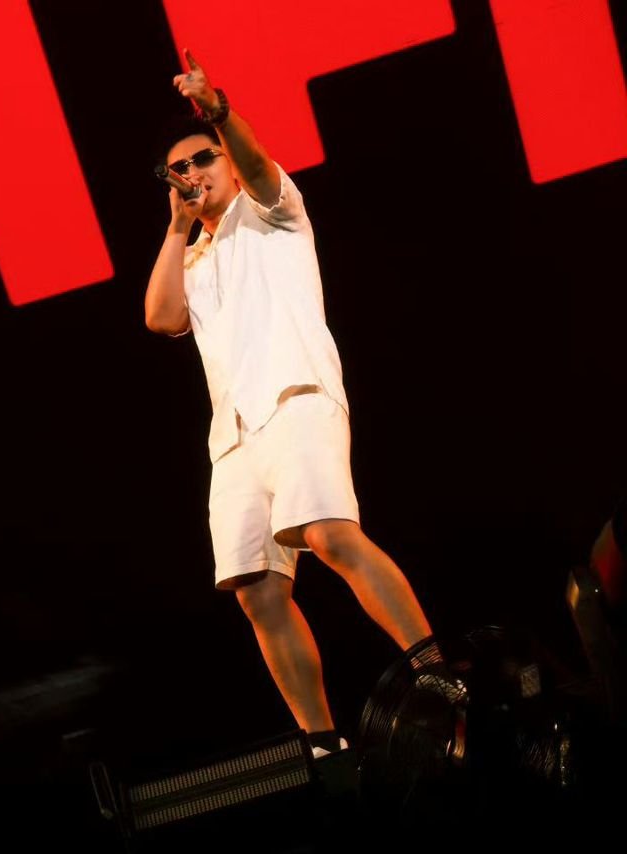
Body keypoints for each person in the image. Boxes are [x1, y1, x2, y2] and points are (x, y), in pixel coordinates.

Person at [145, 49, 458, 757]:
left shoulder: (271, 210)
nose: (191, 173)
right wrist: (175, 227)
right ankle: (323, 745)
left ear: (226, 161)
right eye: (177, 169)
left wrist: (217, 112)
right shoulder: (190, 256)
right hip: (234, 439)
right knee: (257, 591)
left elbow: (255, 162)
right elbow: (161, 318)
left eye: (202, 159)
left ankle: (438, 673)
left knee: (328, 535)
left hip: (296, 398)